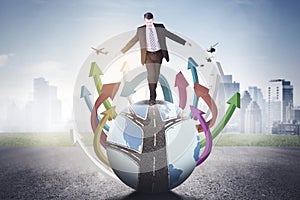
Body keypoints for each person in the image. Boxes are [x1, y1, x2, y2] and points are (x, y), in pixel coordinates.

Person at [121, 12, 191, 105]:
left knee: (156, 76)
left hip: (158, 55)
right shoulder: (140, 30)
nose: (149, 24)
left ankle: (153, 90)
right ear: (144, 21)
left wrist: (184, 42)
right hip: (148, 56)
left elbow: (171, 35)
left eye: (150, 22)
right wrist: (122, 51)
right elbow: (133, 41)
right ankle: (152, 98)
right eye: (147, 22)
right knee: (151, 76)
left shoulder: (160, 27)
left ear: (153, 20)